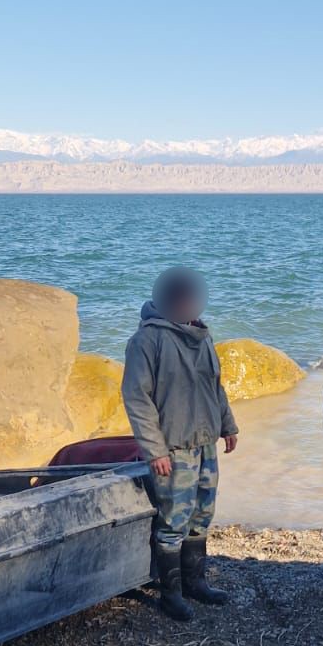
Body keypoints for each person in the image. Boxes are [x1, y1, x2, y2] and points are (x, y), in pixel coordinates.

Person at [121, 266, 239, 621]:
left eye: (193, 297)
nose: (190, 303)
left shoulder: (202, 336)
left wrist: (228, 425)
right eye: (182, 297)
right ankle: (171, 594)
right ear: (168, 299)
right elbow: (136, 397)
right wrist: (154, 449)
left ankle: (196, 582)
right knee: (174, 519)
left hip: (205, 443)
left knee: (202, 514)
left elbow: (214, 387)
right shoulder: (147, 340)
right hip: (173, 449)